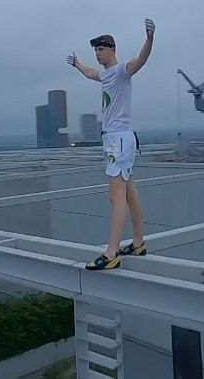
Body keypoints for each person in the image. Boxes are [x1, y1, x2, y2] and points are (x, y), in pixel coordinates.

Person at [66, 17, 155, 270]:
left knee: (115, 197)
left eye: (101, 49)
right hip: (116, 140)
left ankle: (111, 253)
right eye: (95, 49)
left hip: (119, 140)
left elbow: (141, 60)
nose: (97, 53)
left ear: (112, 49)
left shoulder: (121, 72)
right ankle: (138, 243)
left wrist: (149, 39)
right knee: (129, 193)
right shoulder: (105, 75)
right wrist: (77, 64)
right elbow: (90, 73)